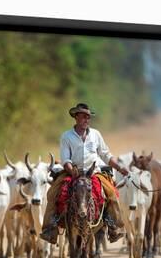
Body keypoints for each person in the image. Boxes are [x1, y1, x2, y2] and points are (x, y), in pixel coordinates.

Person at [39, 103, 126, 245]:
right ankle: (50, 228)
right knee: (53, 193)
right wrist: (70, 169)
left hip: (94, 173)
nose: (86, 119)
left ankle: (113, 226)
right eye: (83, 117)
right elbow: (65, 158)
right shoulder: (67, 136)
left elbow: (106, 155)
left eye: (88, 117)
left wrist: (120, 167)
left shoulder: (96, 134)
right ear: (76, 117)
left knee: (111, 193)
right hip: (72, 172)